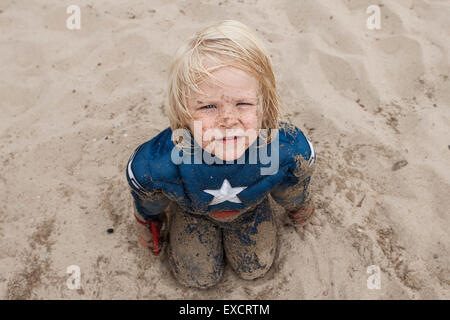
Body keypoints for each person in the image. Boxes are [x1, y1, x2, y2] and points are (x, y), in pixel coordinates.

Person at [126, 20, 316, 289]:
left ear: (265, 107)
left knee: (255, 268)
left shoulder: (286, 150)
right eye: (207, 106)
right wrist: (148, 219)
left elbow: (296, 178)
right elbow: (142, 183)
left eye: (243, 103)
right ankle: (183, 217)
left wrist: (299, 206)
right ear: (183, 113)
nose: (228, 119)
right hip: (195, 211)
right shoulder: (161, 163)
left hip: (248, 208)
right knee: (198, 277)